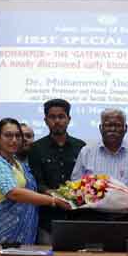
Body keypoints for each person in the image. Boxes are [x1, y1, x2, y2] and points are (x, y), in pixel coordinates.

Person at [0, 118, 72, 244]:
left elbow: (33, 189)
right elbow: (13, 193)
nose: (14, 140)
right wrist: (53, 200)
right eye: (8, 135)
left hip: (24, 233)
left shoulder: (19, 163)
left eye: (18, 136)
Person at [71, 108, 128, 221]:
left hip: (126, 216)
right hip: (92, 216)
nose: (112, 129)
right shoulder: (86, 151)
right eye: (108, 125)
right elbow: (75, 183)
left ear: (125, 128)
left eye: (117, 125)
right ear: (101, 128)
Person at [28, 99, 85, 244]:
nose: (57, 121)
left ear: (68, 119)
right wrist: (58, 197)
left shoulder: (81, 146)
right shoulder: (36, 148)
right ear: (46, 120)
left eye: (61, 116)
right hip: (48, 218)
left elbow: (86, 180)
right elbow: (37, 183)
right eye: (52, 117)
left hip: (77, 216)